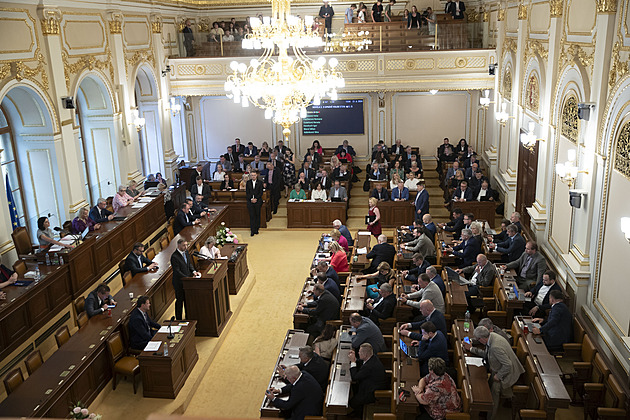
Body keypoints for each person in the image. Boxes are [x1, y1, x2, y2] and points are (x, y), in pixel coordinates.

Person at [473, 326, 524, 419]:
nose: (477, 341)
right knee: (488, 385)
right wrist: (472, 348)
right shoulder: (491, 335)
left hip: (507, 374)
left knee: (494, 393)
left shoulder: (495, 347)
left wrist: (499, 376)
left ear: (483, 339)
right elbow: (488, 354)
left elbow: (508, 365)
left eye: (478, 339)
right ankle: (484, 409)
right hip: (499, 368)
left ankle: (490, 417)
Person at [348, 343, 387, 416]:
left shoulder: (369, 366)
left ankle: (358, 413)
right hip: (369, 382)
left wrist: (353, 361)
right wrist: (355, 360)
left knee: (353, 402)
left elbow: (355, 377)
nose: (358, 353)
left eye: (359, 352)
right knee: (354, 388)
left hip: (371, 391)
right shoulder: (372, 357)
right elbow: (362, 363)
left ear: (365, 355)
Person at [171, 239, 200, 320]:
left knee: (187, 300)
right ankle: (179, 319)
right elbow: (177, 271)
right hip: (179, 283)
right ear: (179, 245)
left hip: (187, 281)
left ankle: (188, 317)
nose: (186, 247)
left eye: (186, 245)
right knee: (180, 301)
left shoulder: (186, 252)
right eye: (184, 245)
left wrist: (194, 271)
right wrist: (187, 278)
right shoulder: (174, 256)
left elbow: (189, 264)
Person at [246, 170, 264, 236]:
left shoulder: (260, 182)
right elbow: (247, 192)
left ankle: (256, 228)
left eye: (254, 175)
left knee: (257, 215)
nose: (253, 176)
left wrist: (256, 199)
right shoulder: (248, 183)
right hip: (250, 201)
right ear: (250, 176)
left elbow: (260, 193)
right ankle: (252, 230)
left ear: (256, 176)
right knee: (252, 216)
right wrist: (251, 199)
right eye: (252, 175)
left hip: (258, 201)